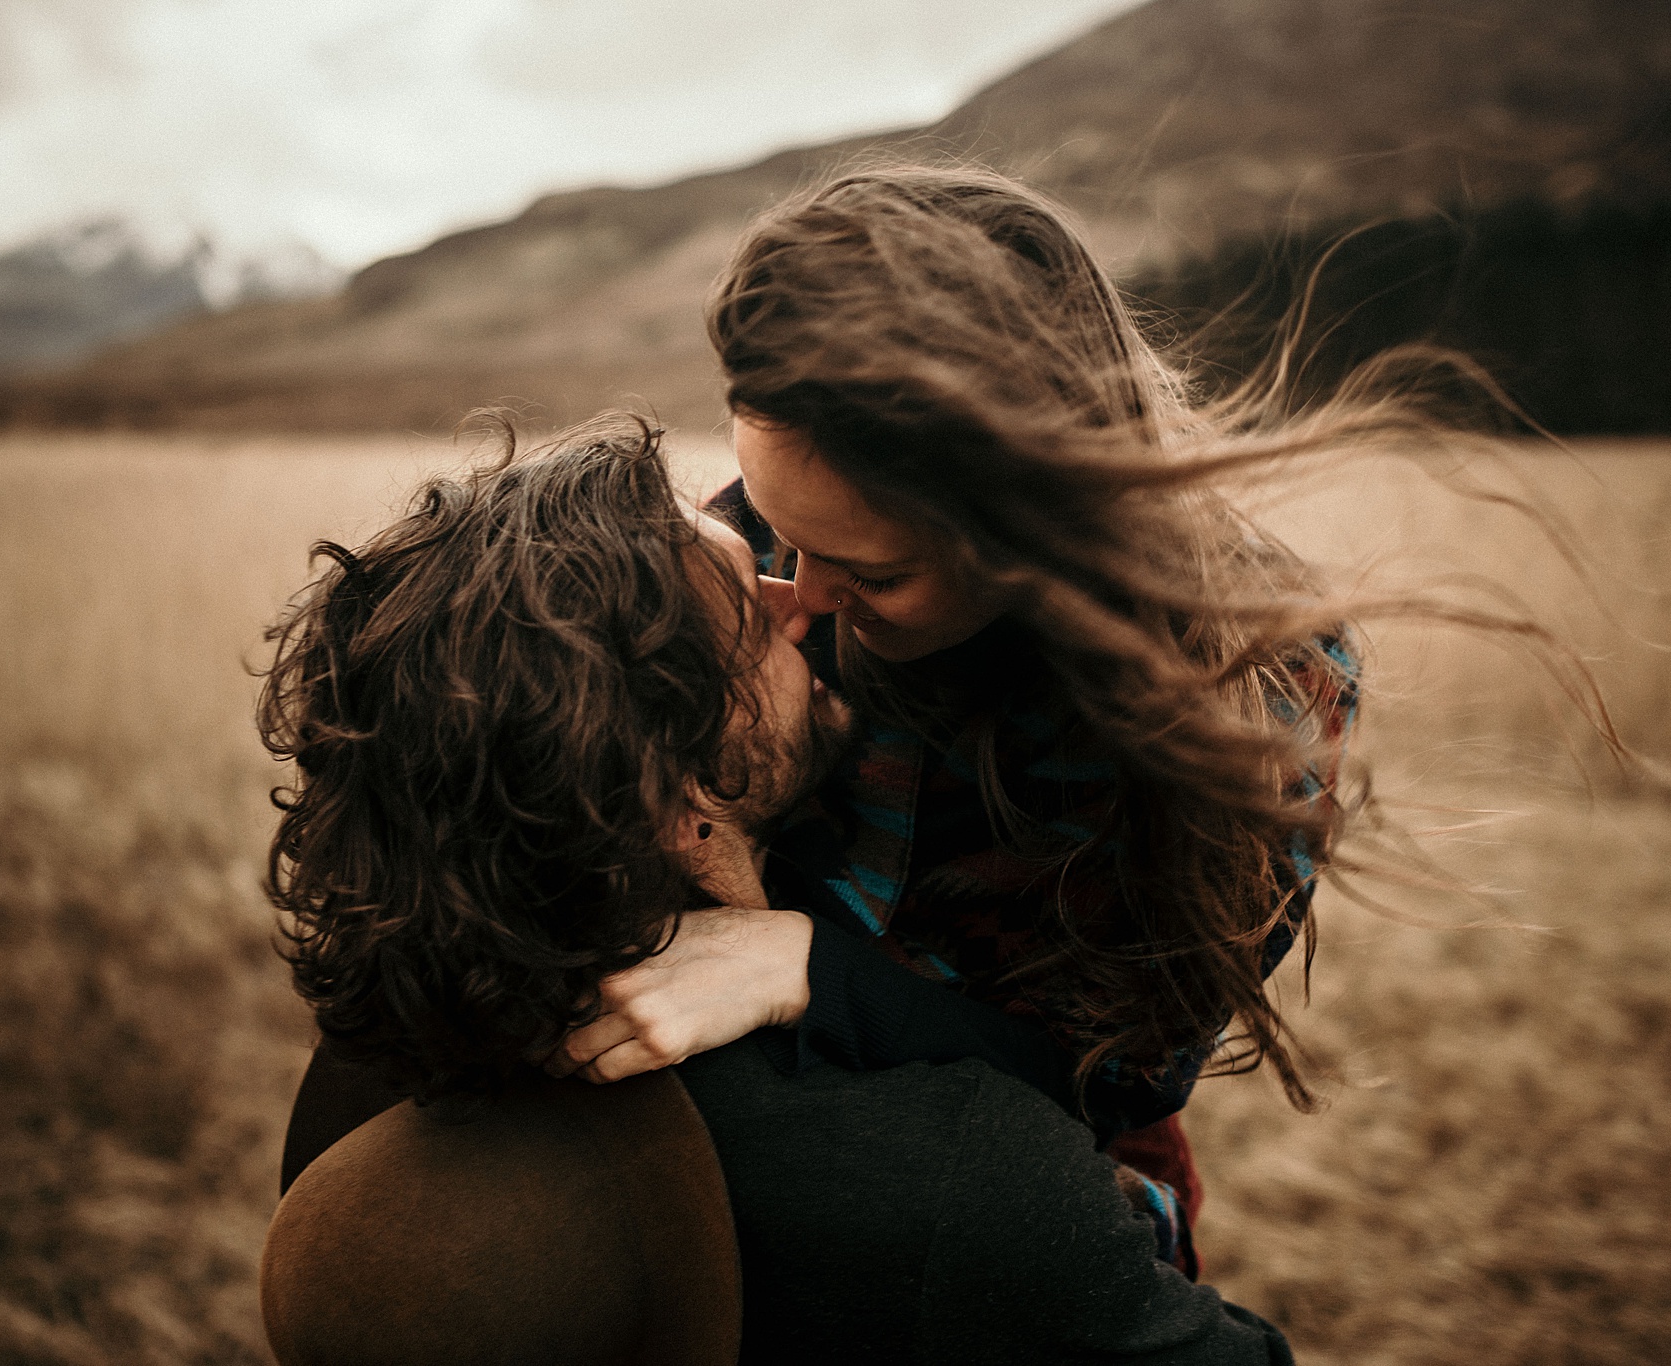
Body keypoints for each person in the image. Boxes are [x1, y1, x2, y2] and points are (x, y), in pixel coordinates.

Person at [261, 414, 1295, 1363]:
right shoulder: (958, 1187)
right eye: (748, 618)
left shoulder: (397, 1070)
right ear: (684, 803)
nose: (796, 602)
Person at [541, 165, 1374, 1270]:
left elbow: (1115, 1080)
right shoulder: (766, 541)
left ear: (1034, 525)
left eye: (871, 574)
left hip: (1028, 1218)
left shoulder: (1257, 697)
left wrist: (807, 970)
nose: (800, 597)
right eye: (778, 530)